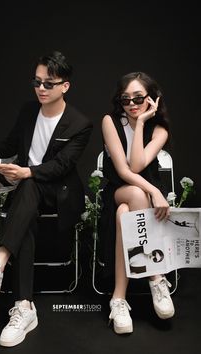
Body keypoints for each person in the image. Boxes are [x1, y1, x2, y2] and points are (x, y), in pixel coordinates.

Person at [0, 50, 93, 347]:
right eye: (37, 82)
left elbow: (61, 166)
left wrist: (26, 172)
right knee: (26, 208)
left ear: (65, 86)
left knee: (29, 185)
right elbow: (9, 144)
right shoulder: (28, 110)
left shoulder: (80, 123)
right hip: (29, 192)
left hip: (59, 194)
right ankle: (24, 308)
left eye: (49, 83)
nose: (41, 89)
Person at [99, 71, 175, 335]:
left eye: (138, 98)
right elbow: (126, 169)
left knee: (125, 214)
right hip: (120, 190)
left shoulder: (160, 129)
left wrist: (142, 123)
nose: (132, 104)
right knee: (132, 197)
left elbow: (140, 164)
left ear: (152, 100)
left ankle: (118, 299)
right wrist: (154, 191)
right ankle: (156, 277)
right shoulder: (111, 122)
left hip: (143, 200)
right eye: (125, 99)